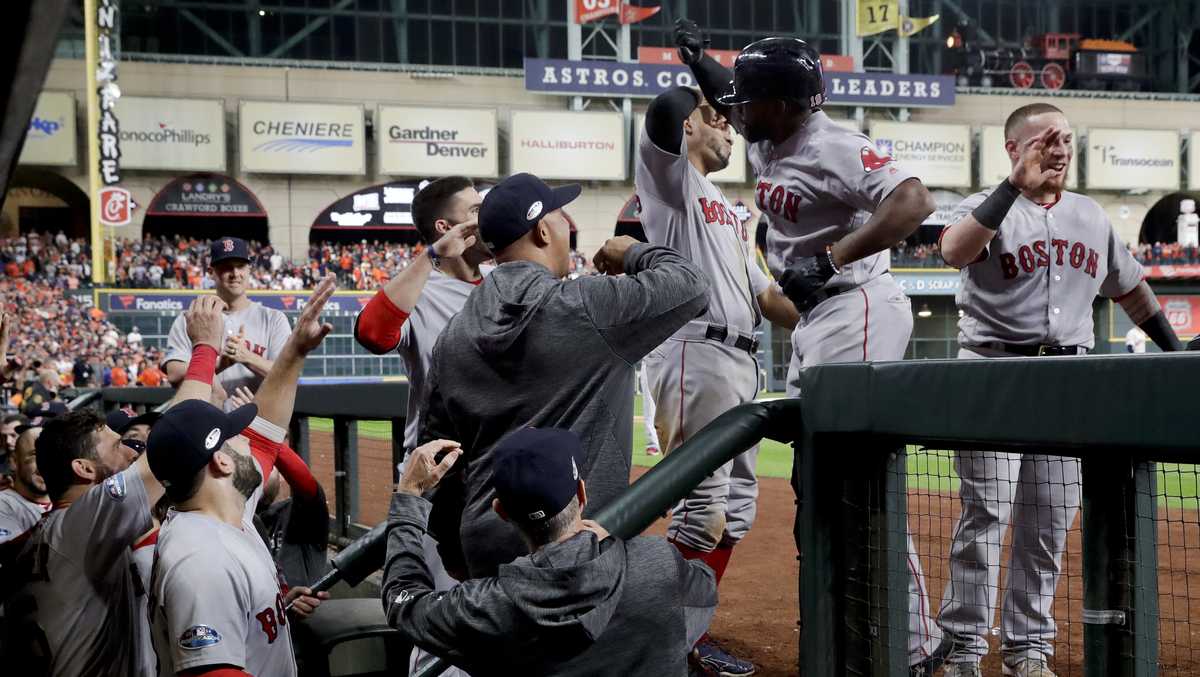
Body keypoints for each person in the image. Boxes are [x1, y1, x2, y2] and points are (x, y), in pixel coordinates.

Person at [677, 21, 943, 672]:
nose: (733, 108)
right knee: (823, 482)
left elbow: (914, 202)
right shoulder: (770, 129)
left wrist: (831, 257)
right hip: (816, 316)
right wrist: (699, 61)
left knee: (852, 480)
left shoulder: (833, 146)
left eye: (746, 98)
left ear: (785, 101)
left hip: (854, 304)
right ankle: (856, 617)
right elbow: (733, 91)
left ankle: (915, 643)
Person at [935, 102, 1183, 677]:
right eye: (1044, 140)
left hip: (1065, 381)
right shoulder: (984, 207)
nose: (1059, 149)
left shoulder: (1091, 216)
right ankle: (965, 650)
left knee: (1048, 525)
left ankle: (1027, 650)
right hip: (992, 376)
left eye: (1066, 139)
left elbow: (1133, 290)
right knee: (986, 518)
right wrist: (1010, 187)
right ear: (1012, 149)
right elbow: (954, 251)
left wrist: (1176, 355)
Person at [422, 172, 709, 580]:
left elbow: (439, 458)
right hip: (574, 543)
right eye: (560, 218)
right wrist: (632, 252)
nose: (565, 227)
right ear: (541, 231)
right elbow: (693, 286)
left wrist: (454, 545)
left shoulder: (452, 334)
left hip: (483, 544)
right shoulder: (584, 306)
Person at [636, 84, 802, 675]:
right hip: (694, 352)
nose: (731, 128)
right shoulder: (672, 185)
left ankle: (689, 630)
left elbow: (772, 299)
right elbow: (659, 117)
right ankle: (665, 641)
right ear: (688, 129)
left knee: (735, 510)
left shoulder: (730, 212)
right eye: (717, 119)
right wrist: (699, 85)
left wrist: (826, 290)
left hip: (740, 360)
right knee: (700, 508)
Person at [381, 427, 717, 676]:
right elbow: (705, 587)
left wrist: (410, 494)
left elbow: (401, 601)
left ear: (501, 512)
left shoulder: (485, 607)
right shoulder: (658, 562)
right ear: (582, 494)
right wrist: (611, 545)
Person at [147, 277, 336, 677]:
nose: (250, 442)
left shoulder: (223, 509)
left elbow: (266, 434)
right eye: (237, 438)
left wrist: (296, 350)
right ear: (222, 463)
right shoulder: (201, 562)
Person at [352, 175, 486, 677]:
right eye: (475, 208)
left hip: (496, 473)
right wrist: (432, 255)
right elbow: (372, 333)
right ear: (446, 226)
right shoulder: (423, 289)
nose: (485, 215)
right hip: (441, 478)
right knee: (444, 622)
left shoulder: (506, 282)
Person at [163, 237, 292, 403]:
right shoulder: (191, 318)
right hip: (204, 424)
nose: (235, 274)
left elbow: (287, 375)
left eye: (240, 266)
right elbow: (174, 375)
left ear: (249, 269)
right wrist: (220, 363)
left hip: (258, 422)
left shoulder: (274, 319)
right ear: (211, 273)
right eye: (226, 267)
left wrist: (246, 356)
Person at [0, 426, 50, 542]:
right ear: (14, 462)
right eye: (36, 455)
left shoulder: (73, 501)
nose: (47, 463)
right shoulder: (4, 504)